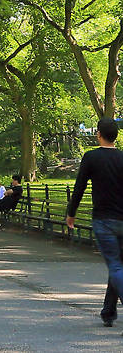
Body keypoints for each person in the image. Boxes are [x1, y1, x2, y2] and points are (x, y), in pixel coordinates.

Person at [66, 117, 123, 328]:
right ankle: (108, 312)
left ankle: (110, 311)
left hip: (104, 220)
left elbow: (79, 186)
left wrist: (71, 213)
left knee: (116, 266)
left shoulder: (91, 157)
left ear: (98, 134)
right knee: (118, 267)